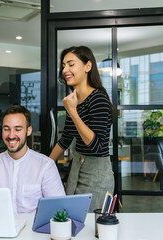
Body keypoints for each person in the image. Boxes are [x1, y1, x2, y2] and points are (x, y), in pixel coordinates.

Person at [49, 46, 114, 212]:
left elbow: (96, 146)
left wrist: (72, 111)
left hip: (97, 175)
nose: (65, 70)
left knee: (90, 228)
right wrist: (44, 166)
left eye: (71, 64)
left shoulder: (98, 99)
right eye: (63, 65)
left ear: (88, 66)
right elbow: (65, 141)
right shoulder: (75, 100)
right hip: (77, 170)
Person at [0, 105, 65, 213]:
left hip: (33, 228)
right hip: (1, 227)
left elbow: (58, 209)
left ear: (28, 131)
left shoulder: (45, 165)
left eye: (18, 129)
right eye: (6, 129)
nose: (11, 135)